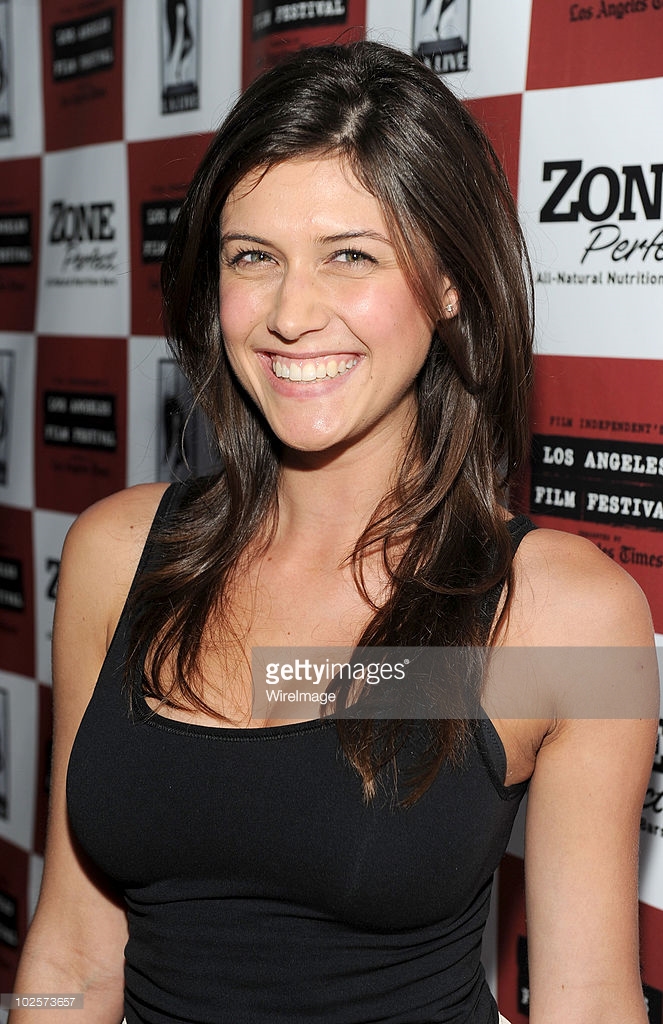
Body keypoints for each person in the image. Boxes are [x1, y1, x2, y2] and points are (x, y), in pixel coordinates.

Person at [11, 40, 658, 1024]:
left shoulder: (567, 617)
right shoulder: (116, 553)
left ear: (448, 280)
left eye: (350, 255)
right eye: (253, 257)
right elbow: (72, 952)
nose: (290, 314)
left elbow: (589, 1001)